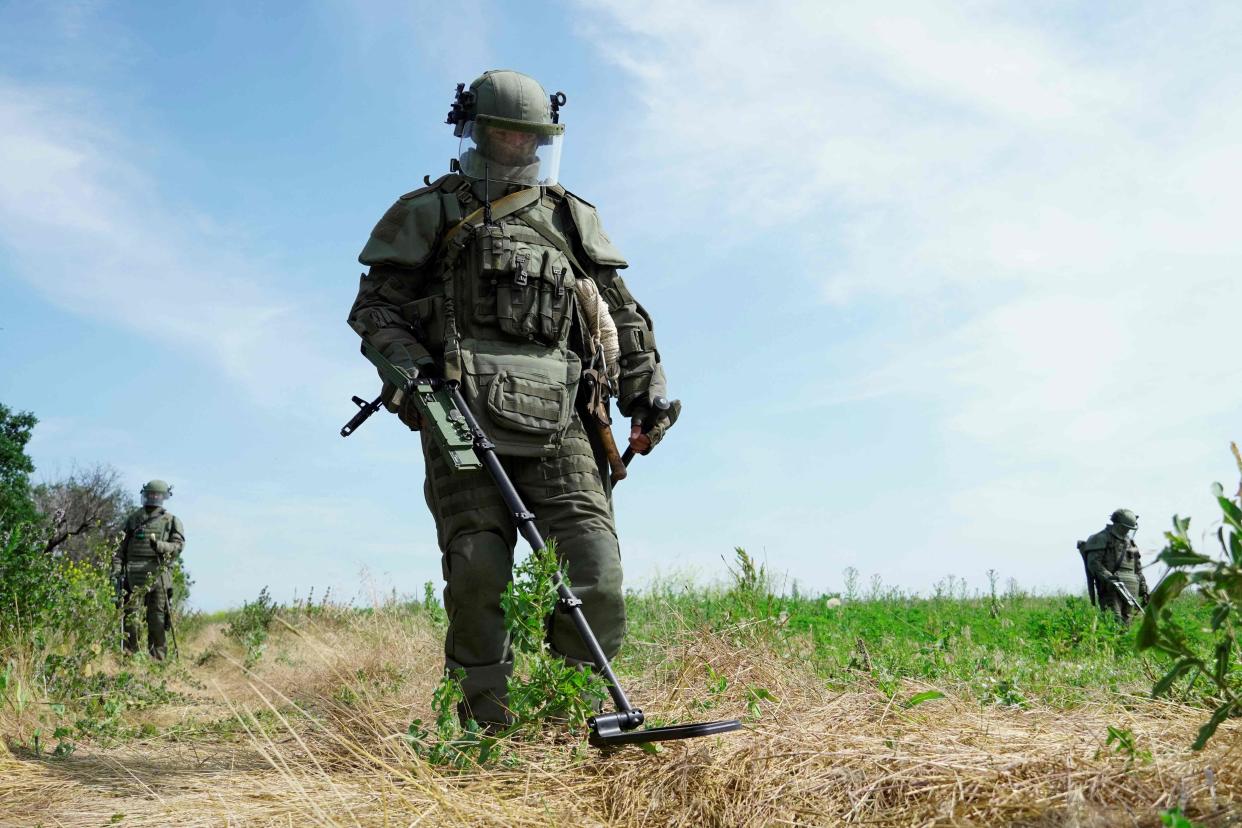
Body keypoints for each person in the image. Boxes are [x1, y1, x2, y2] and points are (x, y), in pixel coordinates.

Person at [347, 69, 678, 728]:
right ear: (475, 131)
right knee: (478, 578)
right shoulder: (432, 209)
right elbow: (374, 311)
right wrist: (420, 378)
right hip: (461, 418)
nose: (516, 147)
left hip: (566, 423)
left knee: (596, 575)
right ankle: (485, 734)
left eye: (529, 137)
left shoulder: (570, 217)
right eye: (503, 132)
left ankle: (570, 725)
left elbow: (624, 315)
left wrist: (647, 395)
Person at [111, 479, 185, 659]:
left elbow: (178, 546)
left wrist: (159, 546)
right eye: (150, 494)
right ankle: (130, 657)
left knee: (157, 619)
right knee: (130, 620)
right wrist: (116, 571)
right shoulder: (133, 519)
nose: (153, 498)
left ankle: (157, 659)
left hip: (159, 575)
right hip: (132, 575)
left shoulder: (171, 520)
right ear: (145, 495)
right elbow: (119, 549)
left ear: (163, 497)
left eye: (156, 495)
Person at [1079, 508, 1148, 624]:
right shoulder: (1101, 538)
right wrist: (1109, 577)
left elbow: (1138, 570)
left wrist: (1144, 590)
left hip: (1131, 591)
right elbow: (1093, 563)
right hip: (1110, 590)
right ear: (1119, 525)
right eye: (1126, 528)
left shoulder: (1131, 543)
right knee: (1113, 622)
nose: (1127, 531)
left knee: (1129, 625)